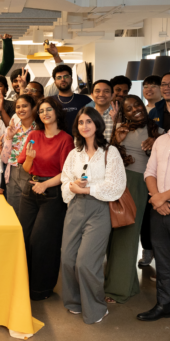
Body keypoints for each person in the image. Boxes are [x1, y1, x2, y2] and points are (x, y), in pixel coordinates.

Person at [60, 107, 126, 324]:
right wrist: (73, 185)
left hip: (99, 209)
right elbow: (65, 179)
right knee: (68, 259)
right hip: (75, 207)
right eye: (81, 122)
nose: (85, 126)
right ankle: (75, 302)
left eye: (89, 121)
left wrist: (87, 189)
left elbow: (116, 185)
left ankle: (97, 307)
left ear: (97, 124)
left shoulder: (110, 152)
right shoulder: (73, 153)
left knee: (86, 263)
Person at [104, 94, 161, 304]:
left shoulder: (160, 133)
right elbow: (104, 153)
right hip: (114, 182)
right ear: (124, 114)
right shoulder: (121, 129)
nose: (135, 109)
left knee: (127, 235)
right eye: (129, 108)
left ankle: (118, 290)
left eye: (137, 104)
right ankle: (126, 285)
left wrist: (156, 141)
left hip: (137, 184)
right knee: (113, 235)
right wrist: (114, 139)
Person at [17, 97, 75, 300]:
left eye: (49, 109)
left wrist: (45, 184)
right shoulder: (34, 134)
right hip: (30, 189)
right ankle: (22, 284)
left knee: (41, 242)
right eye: (41, 111)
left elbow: (66, 173)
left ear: (57, 112)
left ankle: (40, 289)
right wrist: (30, 160)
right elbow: (25, 167)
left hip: (52, 192)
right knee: (23, 238)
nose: (45, 113)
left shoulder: (66, 139)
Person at [137, 94, 170, 338]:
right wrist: (156, 196)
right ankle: (164, 304)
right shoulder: (163, 139)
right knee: (162, 261)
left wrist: (162, 197)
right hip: (159, 207)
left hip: (167, 204)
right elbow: (149, 171)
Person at [1, 94, 37, 218]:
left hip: (32, 172)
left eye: (25, 106)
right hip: (12, 172)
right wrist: (9, 138)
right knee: (14, 213)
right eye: (18, 107)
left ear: (33, 107)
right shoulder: (12, 129)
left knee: (30, 213)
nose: (21, 109)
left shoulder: (40, 129)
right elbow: (5, 159)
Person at [51, 64, 92, 134]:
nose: (63, 79)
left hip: (80, 142)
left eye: (66, 76)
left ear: (71, 79)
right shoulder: (50, 101)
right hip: (57, 142)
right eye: (59, 77)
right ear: (55, 82)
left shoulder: (85, 100)